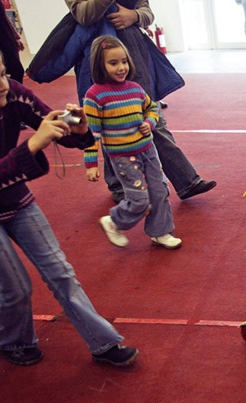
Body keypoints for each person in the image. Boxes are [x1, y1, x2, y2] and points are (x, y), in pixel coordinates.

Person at [0, 41, 138, 367]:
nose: (3, 84)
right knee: (16, 286)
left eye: (3, 73)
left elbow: (49, 121)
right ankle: (6, 339)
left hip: (14, 197)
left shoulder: (13, 93)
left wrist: (79, 130)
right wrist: (31, 147)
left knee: (61, 272)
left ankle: (103, 343)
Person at [65, 0, 216, 202]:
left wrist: (135, 16)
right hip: (98, 57)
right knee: (107, 120)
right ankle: (118, 186)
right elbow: (83, 15)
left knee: (152, 115)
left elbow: (147, 13)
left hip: (133, 53)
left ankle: (186, 180)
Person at [84, 35, 181, 250]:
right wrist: (91, 164)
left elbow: (151, 108)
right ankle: (114, 220)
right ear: (100, 64)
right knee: (140, 199)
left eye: (124, 61)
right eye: (113, 63)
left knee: (160, 191)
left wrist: (149, 121)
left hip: (148, 150)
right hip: (123, 158)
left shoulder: (135, 89)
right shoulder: (95, 96)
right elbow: (91, 134)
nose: (121, 68)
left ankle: (160, 231)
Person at [0, 0, 24, 84]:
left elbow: (3, 16)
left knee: (17, 71)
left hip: (5, 37)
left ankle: (14, 96)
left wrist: (16, 37)